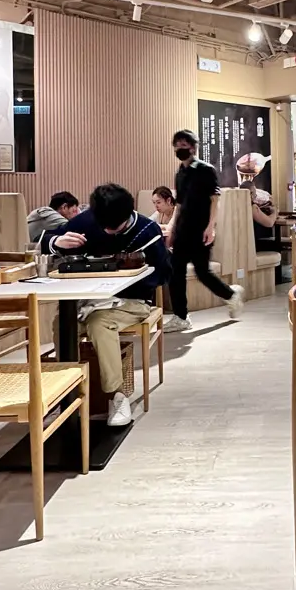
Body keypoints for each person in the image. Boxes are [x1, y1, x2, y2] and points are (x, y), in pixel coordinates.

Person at [41, 183, 170, 428]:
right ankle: (66, 395)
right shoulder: (88, 221)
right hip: (87, 300)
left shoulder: (147, 231)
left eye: (115, 227)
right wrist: (58, 241)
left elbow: (163, 274)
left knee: (100, 322)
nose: (108, 231)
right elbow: (44, 239)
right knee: (63, 323)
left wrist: (130, 273)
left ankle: (117, 395)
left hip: (132, 302)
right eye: (104, 227)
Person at [165, 128, 244, 332]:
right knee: (175, 270)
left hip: (200, 229)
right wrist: (172, 229)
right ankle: (181, 316)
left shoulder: (205, 170)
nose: (180, 149)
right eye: (177, 146)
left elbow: (215, 199)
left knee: (202, 272)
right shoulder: (179, 173)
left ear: (193, 148)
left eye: (184, 145)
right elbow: (179, 204)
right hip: (182, 230)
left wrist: (211, 227)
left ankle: (231, 295)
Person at [236, 151, 278, 250]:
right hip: (253, 245)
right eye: (254, 193)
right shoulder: (252, 207)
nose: (255, 196)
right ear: (250, 193)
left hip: (239, 244)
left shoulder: (237, 205)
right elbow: (270, 223)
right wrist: (275, 211)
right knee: (276, 245)